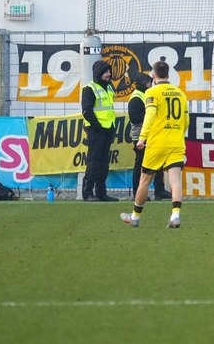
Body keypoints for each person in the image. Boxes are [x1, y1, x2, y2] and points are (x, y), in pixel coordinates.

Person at [120, 61, 188, 229]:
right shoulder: (180, 93)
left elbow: (150, 114)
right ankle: (175, 215)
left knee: (144, 180)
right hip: (176, 142)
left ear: (153, 75)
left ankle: (135, 217)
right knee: (174, 179)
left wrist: (142, 138)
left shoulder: (152, 92)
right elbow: (186, 120)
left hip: (157, 142)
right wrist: (179, 134)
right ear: (169, 75)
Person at [80, 59, 119, 202]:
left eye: (109, 71)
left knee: (103, 162)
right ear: (98, 73)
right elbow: (87, 111)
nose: (109, 74)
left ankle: (101, 192)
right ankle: (87, 192)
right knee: (94, 161)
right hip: (96, 130)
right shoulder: (89, 88)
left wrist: (110, 127)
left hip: (108, 129)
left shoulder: (109, 87)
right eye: (106, 72)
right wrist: (97, 126)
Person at [127, 72, 169, 202]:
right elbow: (134, 118)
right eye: (148, 82)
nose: (150, 85)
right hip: (140, 136)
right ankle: (137, 192)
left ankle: (159, 191)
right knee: (140, 165)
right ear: (141, 84)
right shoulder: (136, 97)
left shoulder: (147, 95)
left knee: (158, 163)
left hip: (152, 134)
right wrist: (151, 115)